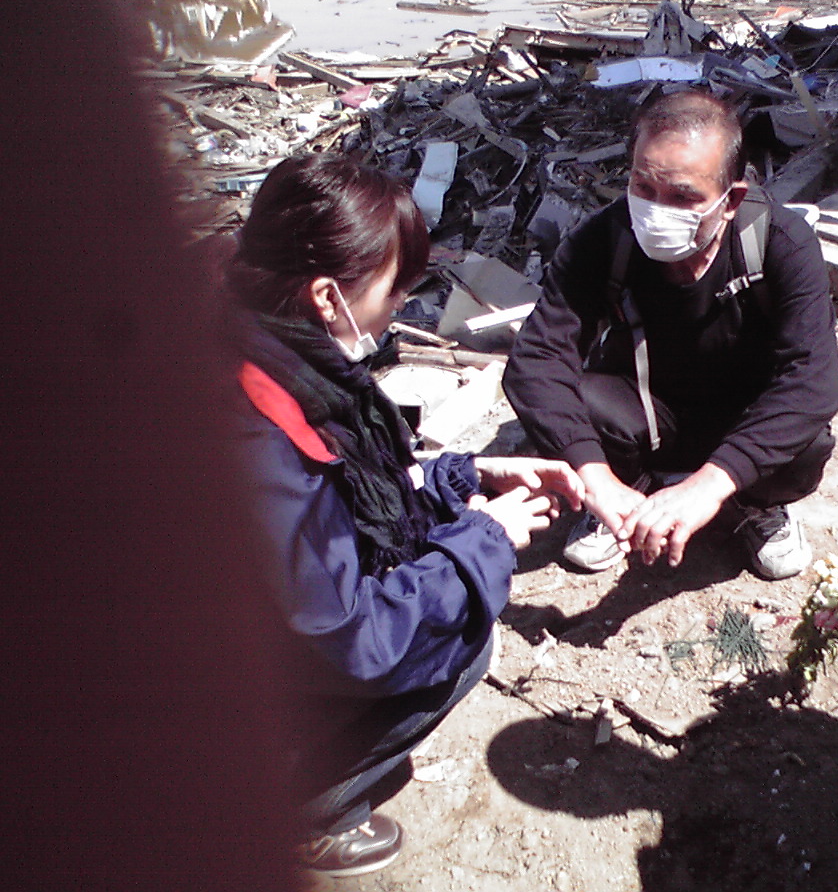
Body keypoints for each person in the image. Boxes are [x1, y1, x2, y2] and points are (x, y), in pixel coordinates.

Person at [227, 153, 584, 878]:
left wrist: (470, 474)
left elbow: (358, 488)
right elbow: (355, 636)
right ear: (328, 296)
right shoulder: (258, 433)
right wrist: (486, 542)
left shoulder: (270, 352)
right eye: (394, 291)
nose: (398, 310)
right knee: (461, 636)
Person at [502, 89, 838, 581]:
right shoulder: (604, 240)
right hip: (644, 411)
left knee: (805, 437)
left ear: (731, 201)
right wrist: (595, 476)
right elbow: (537, 359)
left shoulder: (780, 245)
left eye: (683, 196)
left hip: (742, 417)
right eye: (643, 187)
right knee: (578, 399)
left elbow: (813, 380)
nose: (657, 210)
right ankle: (626, 503)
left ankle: (754, 505)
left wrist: (710, 483)